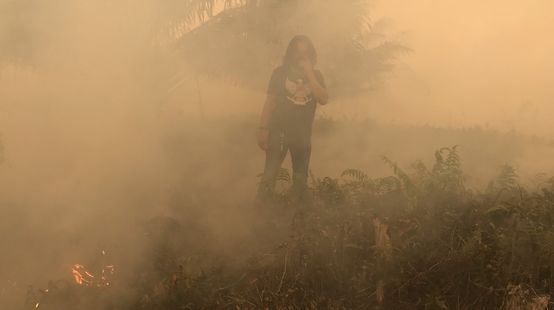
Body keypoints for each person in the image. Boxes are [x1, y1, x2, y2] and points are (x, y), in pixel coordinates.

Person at [256, 35, 328, 204]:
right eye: (297, 51)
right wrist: (263, 129)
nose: (301, 56)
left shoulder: (316, 75)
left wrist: (310, 73)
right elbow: (270, 102)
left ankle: (294, 215)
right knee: (269, 175)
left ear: (311, 54)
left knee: (300, 179)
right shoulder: (279, 74)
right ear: (290, 53)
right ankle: (261, 212)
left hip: (302, 136)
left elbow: (323, 99)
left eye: (305, 52)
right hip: (278, 133)